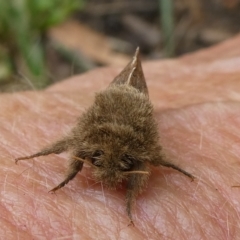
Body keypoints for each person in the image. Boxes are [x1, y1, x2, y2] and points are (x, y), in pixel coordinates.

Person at [1, 36, 240, 238]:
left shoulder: (135, 152)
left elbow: (154, 158)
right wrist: (54, 169)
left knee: (124, 157)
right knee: (80, 146)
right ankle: (70, 181)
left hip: (131, 109)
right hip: (119, 108)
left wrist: (175, 169)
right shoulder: (90, 142)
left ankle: (128, 201)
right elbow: (71, 144)